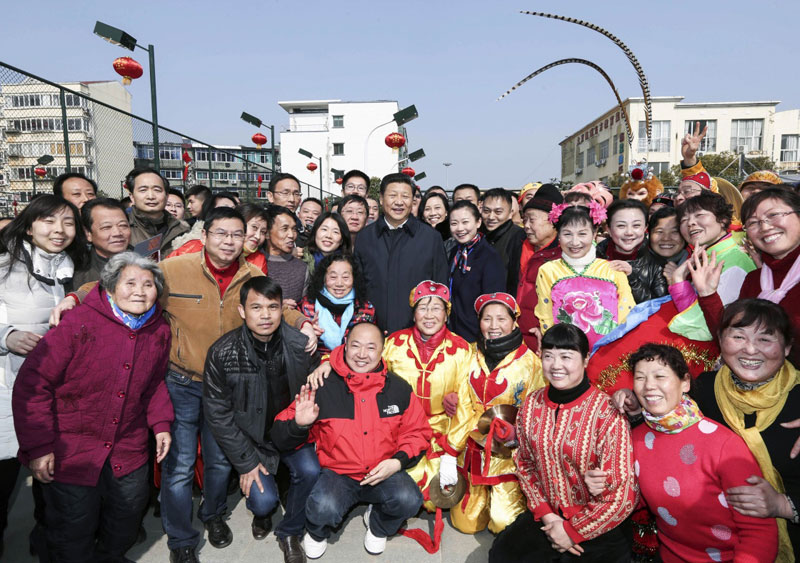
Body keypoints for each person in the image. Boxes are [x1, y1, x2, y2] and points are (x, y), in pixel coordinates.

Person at [13, 252, 175, 562]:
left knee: (126, 516)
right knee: (73, 525)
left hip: (127, 445)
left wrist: (161, 424)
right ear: (111, 287)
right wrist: (39, 447)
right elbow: (33, 386)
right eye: (130, 283)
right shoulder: (77, 323)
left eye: (149, 284)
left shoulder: (159, 329)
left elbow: (154, 382)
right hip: (72, 446)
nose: (140, 291)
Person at [614, 299, 799, 558]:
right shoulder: (708, 389)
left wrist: (785, 505)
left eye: (765, 339)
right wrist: (635, 405)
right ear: (721, 343)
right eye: (738, 336)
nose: (750, 349)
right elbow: (670, 432)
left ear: (787, 347)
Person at [272, 322, 432, 558]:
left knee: (410, 500)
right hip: (338, 474)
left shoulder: (398, 388)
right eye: (355, 345)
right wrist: (300, 424)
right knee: (322, 508)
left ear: (381, 351)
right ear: (344, 346)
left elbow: (418, 432)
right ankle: (317, 532)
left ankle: (378, 524)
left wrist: (397, 462)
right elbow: (278, 434)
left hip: (382, 471)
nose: (362, 354)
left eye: (370, 347)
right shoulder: (321, 385)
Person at [489, 323, 637, 562]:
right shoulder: (531, 404)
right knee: (501, 554)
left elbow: (622, 496)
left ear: (586, 359)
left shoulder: (607, 412)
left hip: (597, 524)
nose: (556, 365)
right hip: (549, 517)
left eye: (566, 356)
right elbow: (525, 464)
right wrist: (548, 516)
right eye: (548, 356)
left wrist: (572, 531)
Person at [203, 277, 320, 563]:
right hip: (251, 441)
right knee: (264, 501)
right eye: (256, 307)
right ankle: (263, 509)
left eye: (273, 307)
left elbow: (317, 385)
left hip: (290, 432)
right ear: (242, 311)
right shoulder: (222, 352)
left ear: (283, 310)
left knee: (310, 471)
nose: (265, 315)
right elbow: (218, 414)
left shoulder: (301, 346)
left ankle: (290, 531)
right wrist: (245, 462)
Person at [0, 195, 87, 555]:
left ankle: (45, 545)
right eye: (49, 221)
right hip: (6, 388)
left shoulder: (65, 266)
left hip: (46, 393)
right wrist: (6, 336)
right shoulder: (6, 261)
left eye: (68, 223)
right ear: (30, 223)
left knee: (47, 482)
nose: (59, 230)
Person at [440, 293, 544, 534]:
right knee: (465, 524)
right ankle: (479, 493)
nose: (494, 326)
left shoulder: (531, 364)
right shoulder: (469, 354)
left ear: (514, 322)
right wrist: (450, 451)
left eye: (501, 319)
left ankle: (509, 495)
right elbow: (464, 408)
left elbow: (536, 413)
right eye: (487, 319)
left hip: (508, 456)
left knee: (502, 525)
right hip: (472, 450)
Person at [382, 282, 471, 513]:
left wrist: (452, 449)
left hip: (442, 429)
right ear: (413, 314)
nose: (429, 315)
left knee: (433, 498)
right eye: (422, 308)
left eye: (436, 309)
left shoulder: (462, 350)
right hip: (400, 427)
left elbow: (468, 405)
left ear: (446, 314)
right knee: (402, 485)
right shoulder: (394, 344)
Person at [695, 187, 800, 365]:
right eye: (753, 223)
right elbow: (732, 341)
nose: (765, 227)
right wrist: (707, 294)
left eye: (774, 215)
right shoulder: (754, 279)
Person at [354, 173, 449, 335]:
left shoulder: (430, 238)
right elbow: (358, 286)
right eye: (392, 195)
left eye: (405, 196)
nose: (399, 201)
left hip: (417, 335)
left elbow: (440, 287)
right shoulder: (365, 237)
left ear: (413, 201)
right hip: (373, 334)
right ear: (382, 199)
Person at [535, 204, 635, 348]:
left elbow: (627, 313)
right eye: (567, 234)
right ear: (558, 234)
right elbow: (545, 316)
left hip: (608, 352)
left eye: (582, 234)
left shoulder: (613, 270)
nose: (575, 242)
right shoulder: (548, 271)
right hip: (565, 352)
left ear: (594, 233)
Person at [667, 191, 756, 340]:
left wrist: (678, 281)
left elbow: (703, 327)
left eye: (699, 215)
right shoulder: (707, 256)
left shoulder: (733, 260)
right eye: (683, 220)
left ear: (722, 219)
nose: (690, 223)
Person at [447, 201, 505, 342]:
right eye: (454, 223)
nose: (460, 228)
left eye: (465, 222)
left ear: (478, 222)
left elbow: (493, 301)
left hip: (475, 334)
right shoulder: (456, 251)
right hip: (453, 331)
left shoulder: (489, 256)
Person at [516, 186, 563, 352]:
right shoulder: (519, 247)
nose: (526, 226)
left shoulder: (562, 257)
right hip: (519, 341)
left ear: (552, 220)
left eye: (532, 220)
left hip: (545, 345)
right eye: (525, 219)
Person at [299, 254, 375, 354]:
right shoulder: (308, 305)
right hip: (315, 363)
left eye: (345, 277)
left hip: (353, 364)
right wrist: (307, 331)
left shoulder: (365, 308)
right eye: (333, 277)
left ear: (354, 279)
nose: (339, 283)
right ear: (324, 279)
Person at [168, 202, 268, 275]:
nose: (258, 236)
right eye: (254, 227)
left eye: (263, 232)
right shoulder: (191, 249)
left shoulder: (258, 261)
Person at [624, 206, 687, 304]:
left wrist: (679, 284)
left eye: (675, 232)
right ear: (648, 233)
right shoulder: (632, 264)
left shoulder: (697, 263)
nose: (666, 238)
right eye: (659, 232)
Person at [125, 168, 189, 258]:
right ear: (132, 197)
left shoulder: (182, 230)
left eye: (157, 190)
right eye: (143, 190)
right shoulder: (122, 227)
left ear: (166, 196)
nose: (151, 196)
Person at [70, 198, 133, 290]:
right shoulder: (77, 273)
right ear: (88, 233)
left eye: (123, 225)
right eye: (106, 227)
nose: (117, 233)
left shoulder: (146, 261)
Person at [597, 199, 652, 303]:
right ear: (608, 229)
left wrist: (631, 277)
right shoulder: (593, 257)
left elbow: (657, 304)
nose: (629, 232)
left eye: (636, 225)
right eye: (621, 226)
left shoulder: (656, 261)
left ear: (645, 227)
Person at [480, 188, 525, 293]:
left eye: (498, 212)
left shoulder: (519, 237)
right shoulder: (479, 236)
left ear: (510, 213)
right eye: (486, 211)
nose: (491, 217)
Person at [265, 205, 309, 308]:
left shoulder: (301, 268)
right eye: (284, 229)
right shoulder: (254, 263)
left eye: (294, 229)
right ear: (267, 233)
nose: (291, 235)